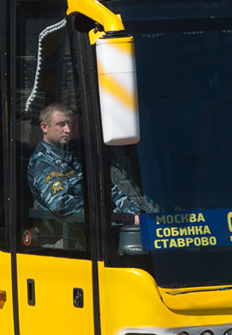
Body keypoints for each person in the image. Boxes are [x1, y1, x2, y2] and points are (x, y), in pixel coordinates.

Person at [26, 103, 145, 248]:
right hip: (70, 236)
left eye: (69, 123)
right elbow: (61, 205)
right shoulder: (43, 163)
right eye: (61, 124)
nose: (67, 130)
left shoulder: (74, 153)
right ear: (44, 127)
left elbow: (108, 189)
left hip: (99, 226)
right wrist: (111, 217)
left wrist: (136, 214)